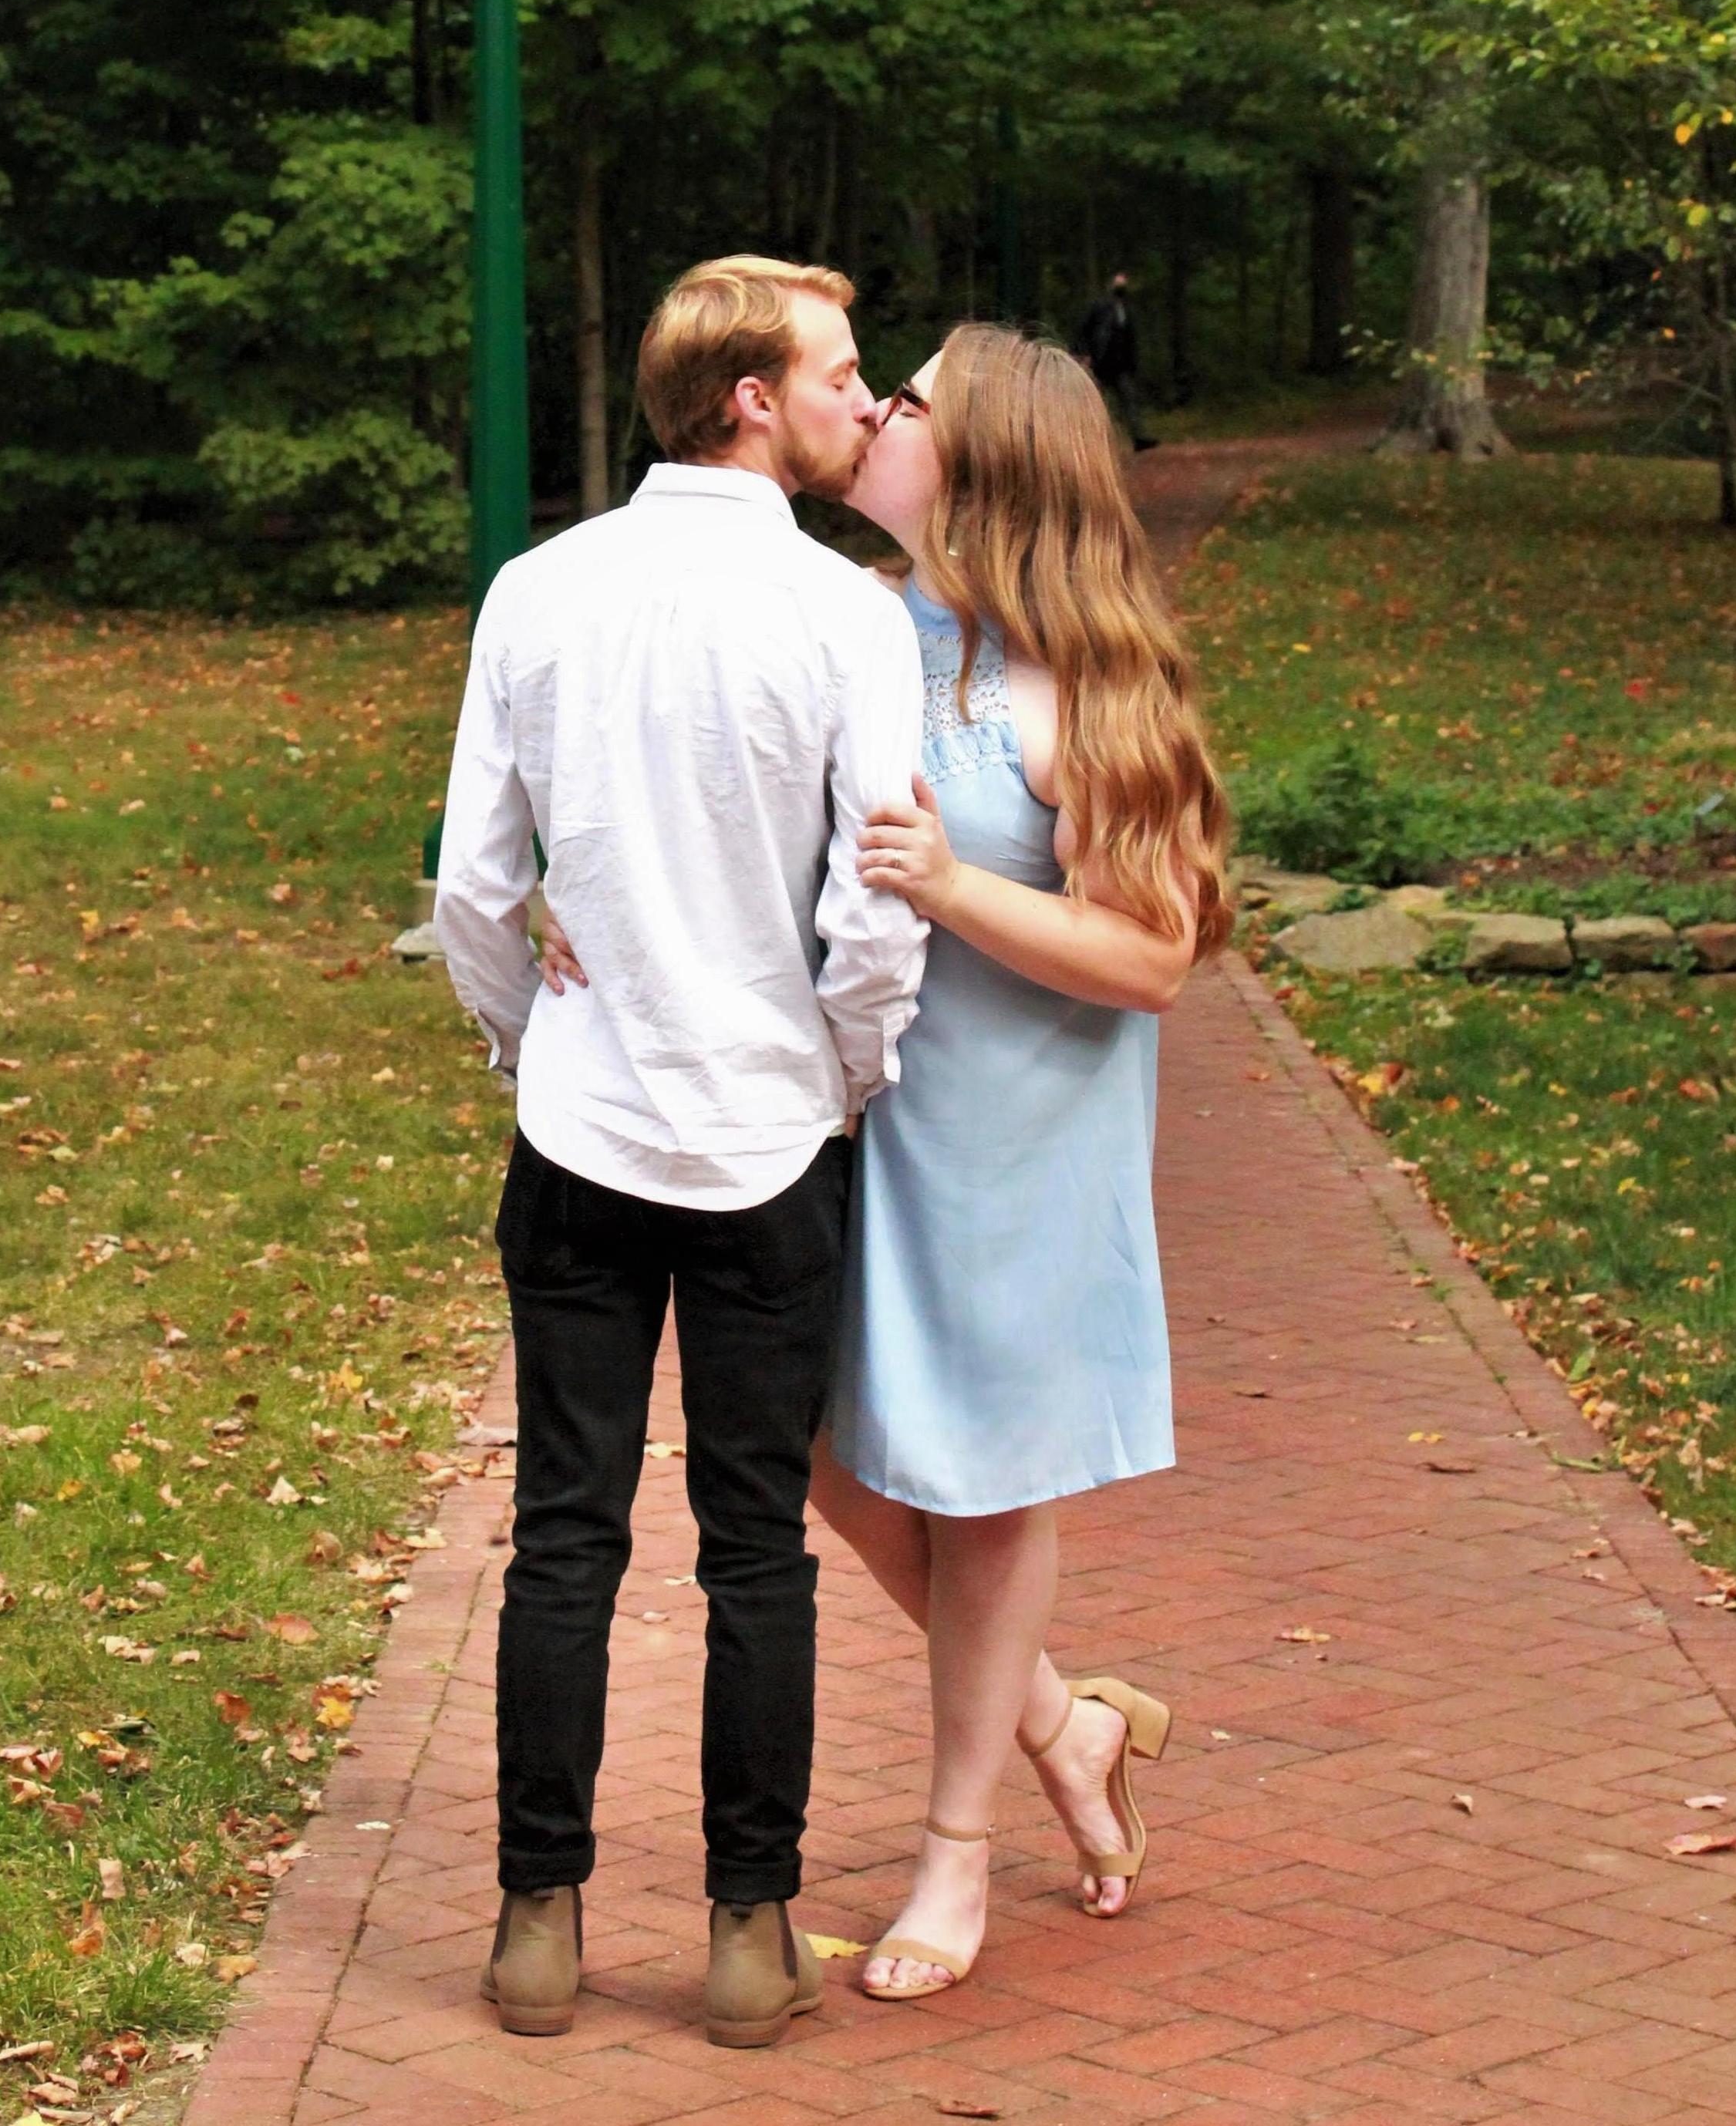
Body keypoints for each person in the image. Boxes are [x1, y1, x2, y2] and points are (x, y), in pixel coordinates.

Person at [433, 254, 929, 2048]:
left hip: (579, 1131)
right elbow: (874, 916)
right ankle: (746, 1931)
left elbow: (474, 889)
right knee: (753, 1551)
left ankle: (535, 1925)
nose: (864, 402)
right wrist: (843, 1074)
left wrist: (532, 1041)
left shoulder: (540, 589)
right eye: (840, 373)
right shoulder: (846, 617)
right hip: (765, 1134)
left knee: (564, 1535)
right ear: (750, 398)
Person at [814, 322, 1231, 2000]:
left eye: (909, 399)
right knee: (813, 1454)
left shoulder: (1088, 679)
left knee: (981, 1493)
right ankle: (1065, 1722)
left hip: (1015, 1142)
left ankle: (953, 1855)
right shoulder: (847, 625)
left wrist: (952, 886)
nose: (874, 411)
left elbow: (1155, 953)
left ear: (984, 459)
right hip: (848, 1125)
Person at [1074, 271, 1157, 450]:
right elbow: (1083, 331)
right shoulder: (1099, 307)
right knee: (1096, 402)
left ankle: (1138, 438)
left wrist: (1133, 363)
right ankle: (1089, 439)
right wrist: (1085, 354)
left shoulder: (1126, 309)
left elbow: (1130, 338)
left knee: (1129, 400)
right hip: (1101, 363)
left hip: (1121, 365)